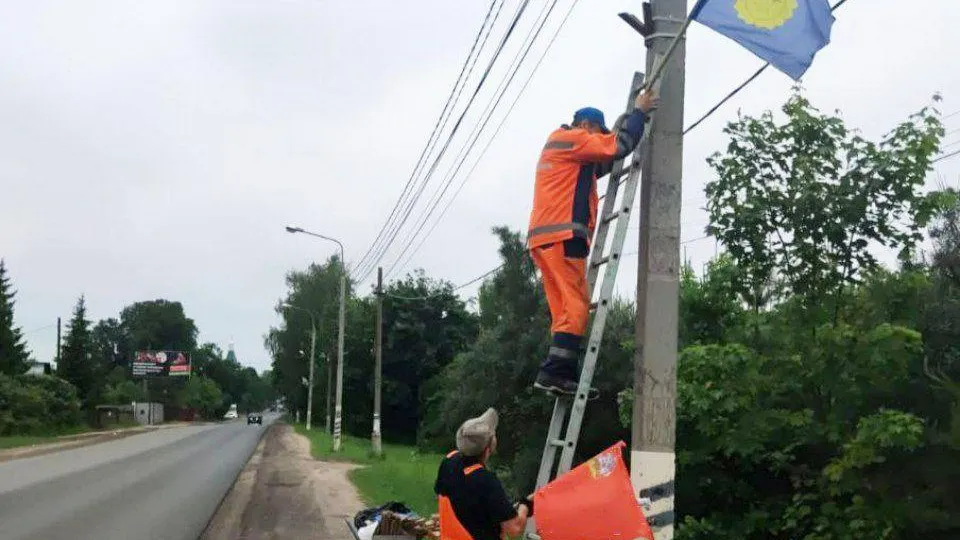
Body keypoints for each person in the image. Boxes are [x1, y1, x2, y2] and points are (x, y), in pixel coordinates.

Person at [528, 88, 659, 395]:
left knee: (564, 312)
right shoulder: (571, 139)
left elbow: (602, 160)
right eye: (595, 135)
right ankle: (554, 373)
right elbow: (618, 147)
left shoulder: (564, 151)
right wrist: (638, 112)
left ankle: (558, 373)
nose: (595, 140)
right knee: (575, 307)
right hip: (562, 237)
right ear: (586, 127)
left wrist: (616, 131)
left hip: (546, 238)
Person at [434, 408, 532, 540]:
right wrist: (525, 505)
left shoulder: (448, 462)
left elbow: (465, 505)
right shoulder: (485, 480)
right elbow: (514, 529)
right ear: (488, 448)